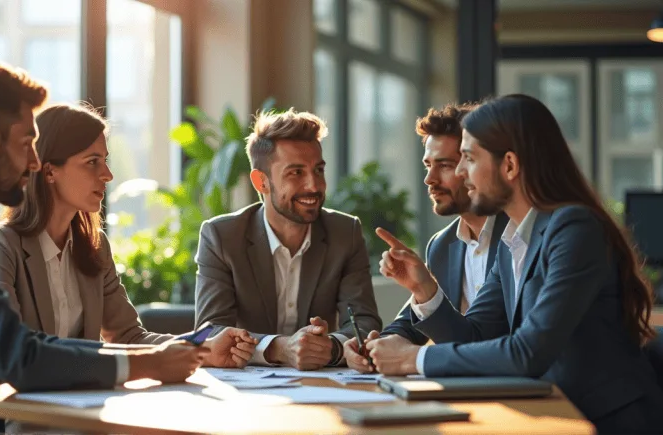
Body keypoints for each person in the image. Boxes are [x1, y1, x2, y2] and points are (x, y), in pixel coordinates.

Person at [0, 56, 207, 433]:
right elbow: (17, 355)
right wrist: (147, 363)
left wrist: (155, 354)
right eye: (27, 143)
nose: (34, 162)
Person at [376, 94, 663, 434]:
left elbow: (528, 351)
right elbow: (476, 336)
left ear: (509, 165)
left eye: (468, 158)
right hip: (552, 413)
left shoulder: (573, 229)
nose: (463, 173)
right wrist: (425, 289)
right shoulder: (515, 239)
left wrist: (413, 359)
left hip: (604, 421)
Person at [0, 103, 256, 369]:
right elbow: (14, 349)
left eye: (105, 161)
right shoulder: (2, 246)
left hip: (82, 401)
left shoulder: (95, 245)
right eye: (92, 162)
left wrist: (206, 350)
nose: (107, 175)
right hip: (22, 405)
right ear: (49, 171)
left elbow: (130, 337)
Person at [194, 108, 382, 370]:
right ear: (261, 182)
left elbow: (364, 321)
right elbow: (209, 330)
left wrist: (332, 347)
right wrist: (279, 348)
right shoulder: (222, 236)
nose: (313, 186)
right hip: (246, 392)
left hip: (325, 386)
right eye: (296, 173)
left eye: (318, 170)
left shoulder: (345, 232)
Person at [342, 103, 508, 374]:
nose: (429, 179)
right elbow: (413, 319)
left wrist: (423, 290)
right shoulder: (442, 245)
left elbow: (478, 341)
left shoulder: (516, 238)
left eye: (445, 165)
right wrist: (376, 345)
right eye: (428, 165)